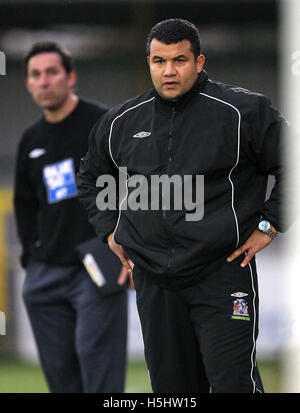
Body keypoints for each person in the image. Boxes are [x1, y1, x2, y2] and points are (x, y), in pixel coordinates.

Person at [77, 19, 288, 393]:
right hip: (154, 281)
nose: (169, 71)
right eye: (159, 61)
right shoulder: (121, 122)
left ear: (200, 61)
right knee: (172, 393)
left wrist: (271, 224)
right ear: (149, 64)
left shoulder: (243, 112)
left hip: (222, 273)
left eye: (180, 60)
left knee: (232, 384)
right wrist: (109, 229)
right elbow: (91, 176)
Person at [13, 41, 128, 393]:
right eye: (35, 74)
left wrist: (131, 249)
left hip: (96, 265)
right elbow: (24, 204)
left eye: (51, 72)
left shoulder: (103, 124)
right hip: (45, 273)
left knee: (100, 376)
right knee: (61, 380)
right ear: (29, 83)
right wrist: (32, 258)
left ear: (70, 76)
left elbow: (136, 187)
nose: (44, 81)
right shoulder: (31, 139)